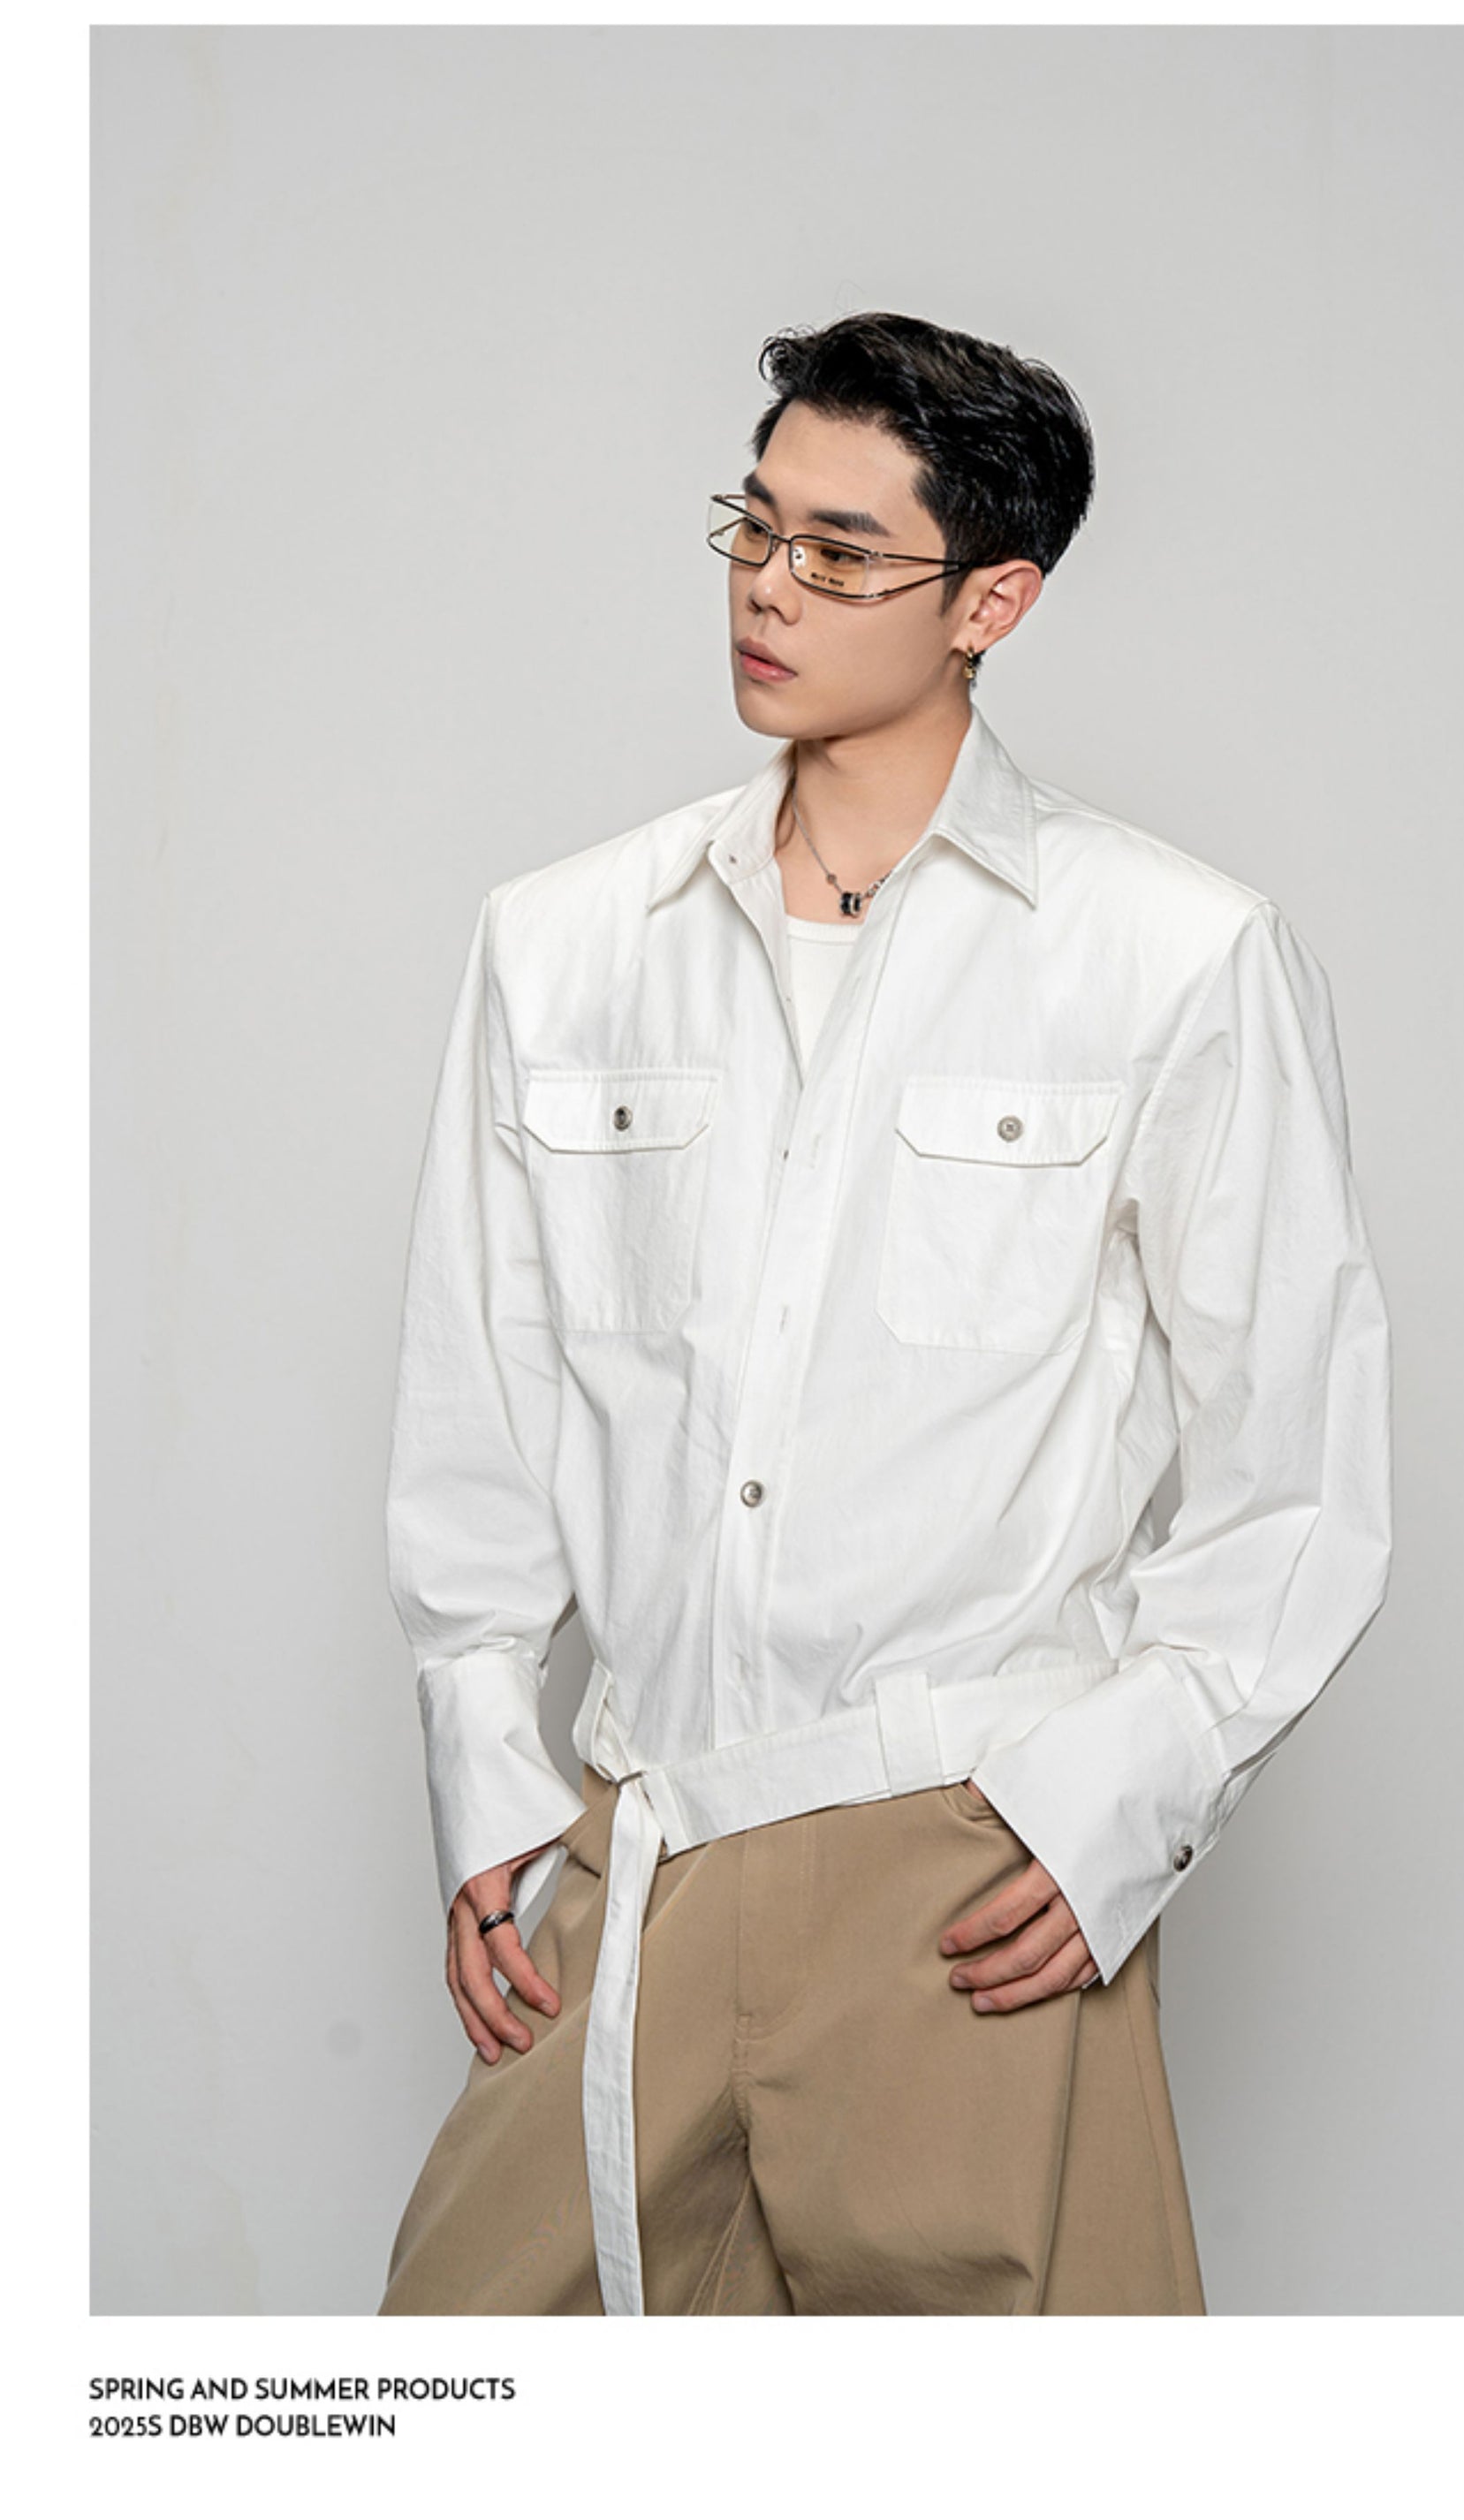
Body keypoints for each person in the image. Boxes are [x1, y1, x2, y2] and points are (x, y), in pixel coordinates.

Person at [375, 310, 1392, 2317]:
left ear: (990, 601)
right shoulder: (562, 943)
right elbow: (478, 1385)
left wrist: (1116, 1808)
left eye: (841, 552)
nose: (768, 585)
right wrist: (487, 1774)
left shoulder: (1174, 957)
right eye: (754, 525)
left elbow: (1294, 1455)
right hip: (637, 1848)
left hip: (962, 1859)